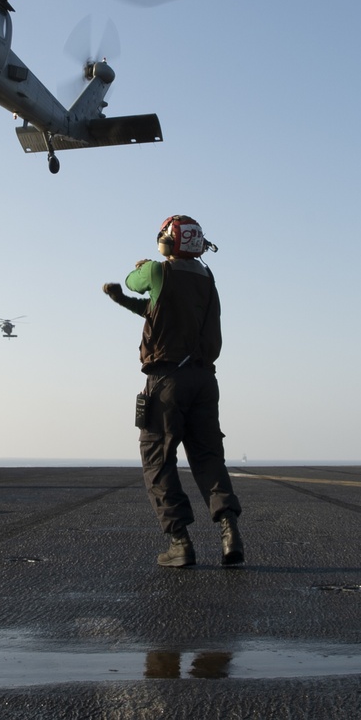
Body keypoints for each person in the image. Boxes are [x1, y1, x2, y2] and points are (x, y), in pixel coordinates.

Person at [103, 215, 244, 569]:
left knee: (157, 459)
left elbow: (135, 281)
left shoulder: (156, 271)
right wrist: (121, 301)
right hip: (204, 381)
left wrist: (134, 275)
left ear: (168, 242)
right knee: (209, 457)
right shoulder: (207, 279)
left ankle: (180, 542)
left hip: (167, 382)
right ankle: (229, 530)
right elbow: (158, 311)